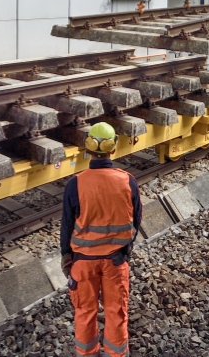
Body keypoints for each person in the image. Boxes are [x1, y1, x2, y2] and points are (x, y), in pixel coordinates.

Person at [61, 123, 142, 357]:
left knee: (84, 312)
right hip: (115, 262)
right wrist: (125, 251)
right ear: (113, 148)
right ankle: (116, 354)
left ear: (87, 149)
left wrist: (67, 257)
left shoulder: (75, 183)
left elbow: (66, 225)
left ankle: (87, 353)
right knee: (116, 312)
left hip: (83, 263)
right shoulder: (127, 181)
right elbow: (136, 221)